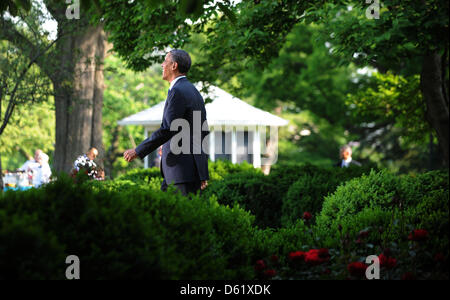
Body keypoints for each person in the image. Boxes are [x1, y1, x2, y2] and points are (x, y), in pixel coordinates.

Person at [123, 49, 209, 196]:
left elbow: (168, 128)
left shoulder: (178, 91)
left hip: (180, 172)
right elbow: (201, 131)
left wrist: (138, 150)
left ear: (174, 65)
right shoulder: (193, 91)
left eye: (165, 61)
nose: (162, 65)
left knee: (175, 217)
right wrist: (201, 171)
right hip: (187, 172)